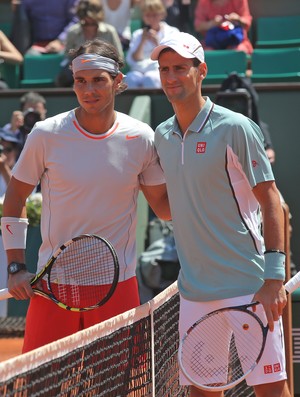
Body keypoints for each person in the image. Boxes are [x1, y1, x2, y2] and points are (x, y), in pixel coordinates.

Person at [1, 38, 170, 353]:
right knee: (43, 387)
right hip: (55, 286)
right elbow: (14, 199)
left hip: (118, 287)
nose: (88, 90)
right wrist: (15, 266)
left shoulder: (141, 137)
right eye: (81, 81)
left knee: (119, 386)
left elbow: (164, 208)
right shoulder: (46, 134)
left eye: (98, 81)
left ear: (118, 82)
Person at [150, 32, 291, 397]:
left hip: (248, 285)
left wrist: (274, 277)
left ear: (201, 71)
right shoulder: (162, 136)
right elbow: (167, 208)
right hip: (195, 291)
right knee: (202, 392)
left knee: (271, 389)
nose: (171, 77)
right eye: (164, 69)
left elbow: (271, 198)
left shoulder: (236, 128)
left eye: (180, 68)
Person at [56, 0, 123, 87]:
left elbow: (119, 58)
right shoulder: (73, 32)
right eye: (86, 22)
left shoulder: (110, 31)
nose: (89, 23)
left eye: (92, 22)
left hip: (104, 71)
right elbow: (67, 56)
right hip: (79, 71)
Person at [125, 0, 179, 89]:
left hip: (160, 70)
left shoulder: (172, 32)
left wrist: (157, 43)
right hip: (139, 70)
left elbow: (172, 58)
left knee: (150, 78)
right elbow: (134, 59)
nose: (151, 19)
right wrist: (142, 41)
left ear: (162, 14)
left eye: (154, 15)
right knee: (131, 78)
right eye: (147, 15)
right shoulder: (137, 34)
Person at [10, 0, 79, 55]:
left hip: (65, 43)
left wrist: (60, 41)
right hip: (36, 44)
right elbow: (22, 23)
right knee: (31, 56)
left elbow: (75, 19)